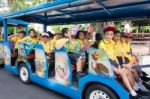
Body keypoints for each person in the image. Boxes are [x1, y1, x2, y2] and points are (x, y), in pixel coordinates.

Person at [98, 26, 138, 97]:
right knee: (123, 72)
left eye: (111, 34)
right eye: (107, 34)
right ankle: (131, 91)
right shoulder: (102, 44)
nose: (109, 36)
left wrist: (119, 64)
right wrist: (113, 67)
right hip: (107, 62)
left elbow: (114, 55)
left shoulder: (112, 42)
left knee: (127, 70)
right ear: (104, 35)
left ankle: (134, 87)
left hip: (114, 61)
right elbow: (103, 58)